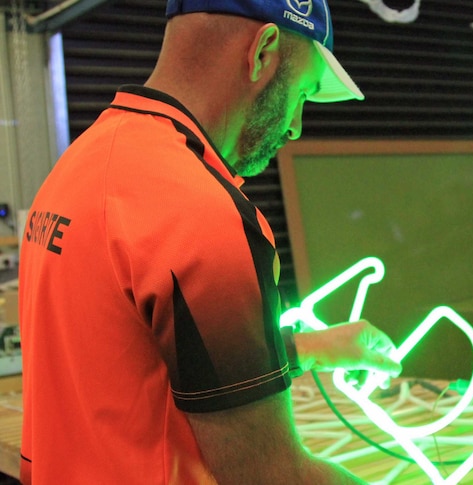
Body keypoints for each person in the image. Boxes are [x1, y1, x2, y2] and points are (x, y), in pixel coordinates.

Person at [17, 0, 402, 483]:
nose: (297, 126)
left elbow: (130, 365)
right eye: (302, 94)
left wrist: (309, 347)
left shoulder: (76, 169)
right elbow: (274, 476)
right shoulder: (202, 214)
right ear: (262, 52)